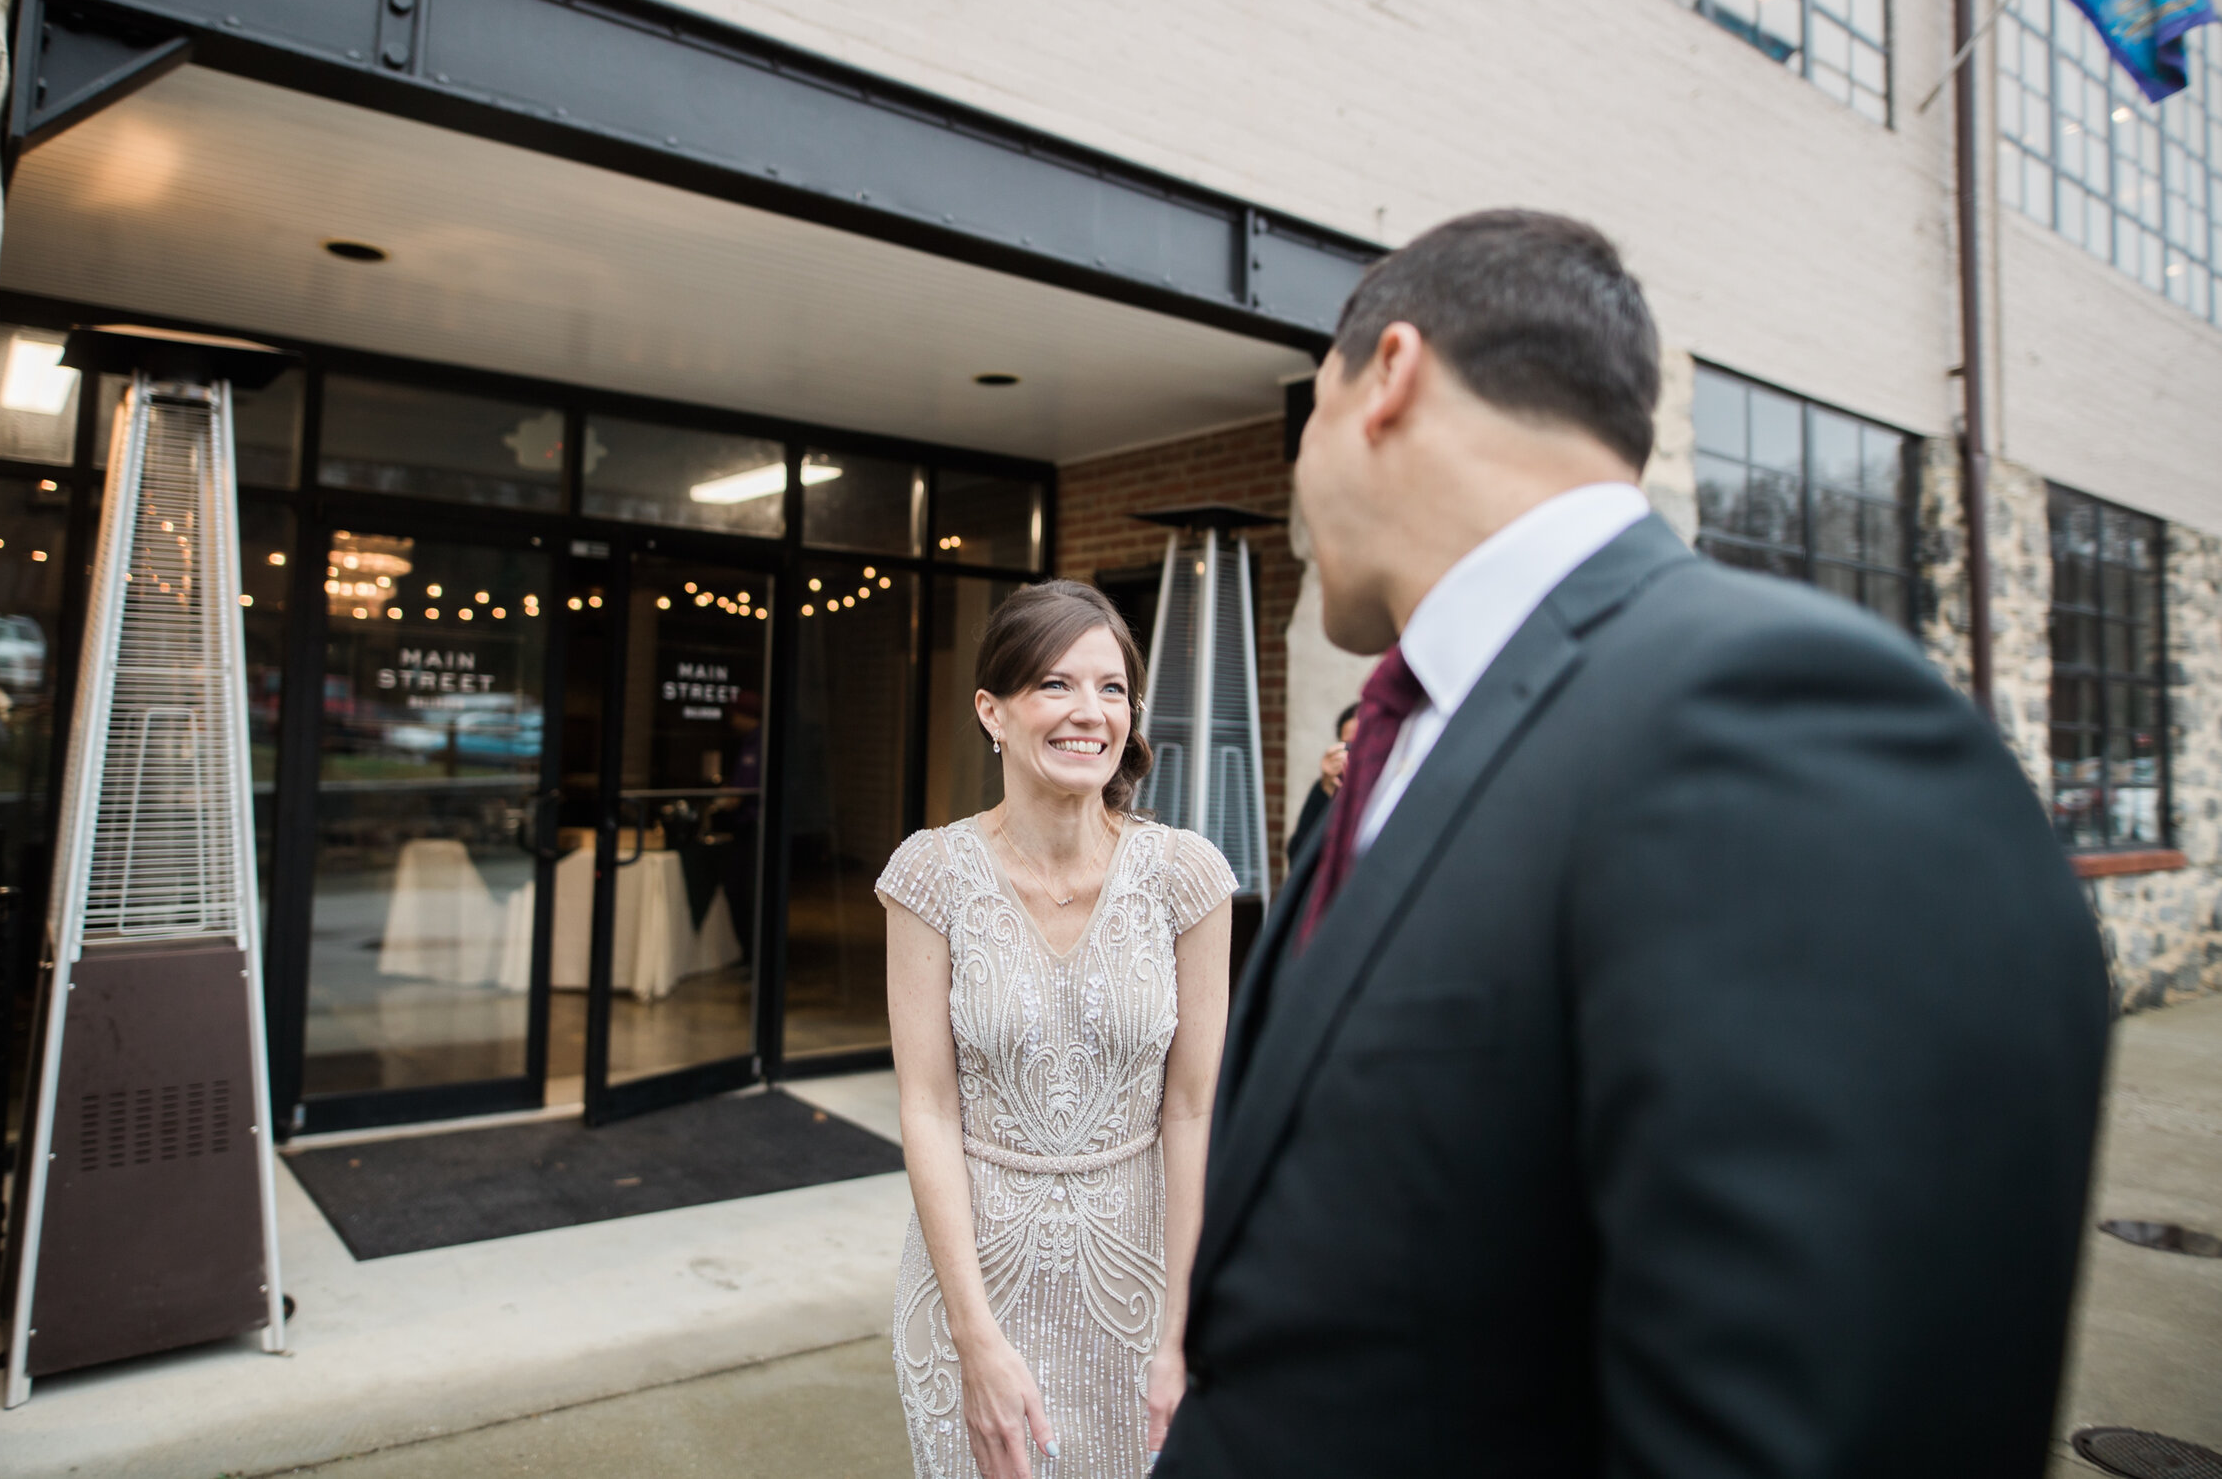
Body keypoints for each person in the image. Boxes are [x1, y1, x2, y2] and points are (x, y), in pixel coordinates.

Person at [1159, 210, 2109, 1476]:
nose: (1294, 484)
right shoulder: (1382, 755)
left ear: (1387, 376)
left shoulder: (1774, 719)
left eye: (1308, 415)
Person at [881, 579, 1234, 1479]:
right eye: (1055, 684)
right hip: (975, 1283)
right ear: (991, 711)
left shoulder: (1185, 877)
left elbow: (1193, 1111)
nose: (1091, 712)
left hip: (1139, 1289)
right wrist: (974, 1338)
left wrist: (1182, 1325)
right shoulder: (930, 877)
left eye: (1112, 687)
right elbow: (926, 1109)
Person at [1284, 703, 1360, 864]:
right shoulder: (1329, 786)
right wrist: (1327, 789)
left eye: (1362, 743)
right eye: (1349, 746)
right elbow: (1298, 857)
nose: (1357, 753)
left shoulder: (1391, 789)